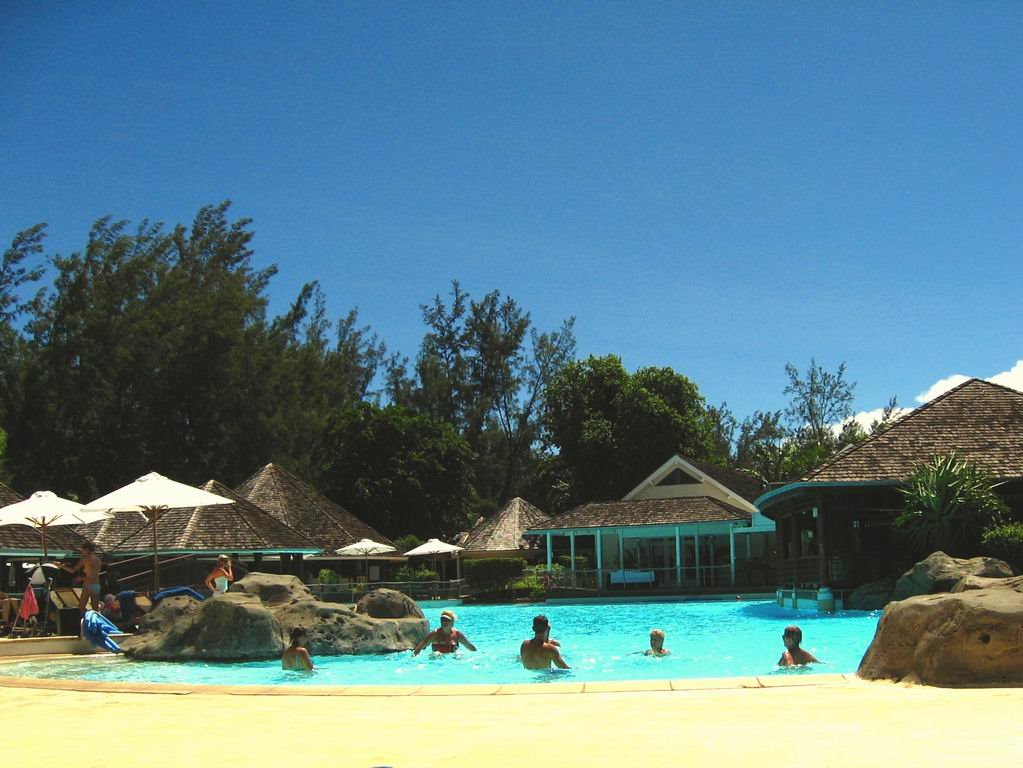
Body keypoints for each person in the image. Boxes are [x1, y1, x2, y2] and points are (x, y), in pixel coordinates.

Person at [60, 542, 102, 616]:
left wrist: (60, 566)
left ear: (87, 550)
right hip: (96, 584)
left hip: (88, 584)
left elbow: (73, 570)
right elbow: (95, 574)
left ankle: (81, 624)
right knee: (95, 609)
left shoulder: (86, 559)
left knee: (81, 607)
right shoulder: (98, 559)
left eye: (83, 550)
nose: (82, 552)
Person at [412, 609, 477, 655]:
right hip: (437, 660)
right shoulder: (435, 634)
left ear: (452, 623)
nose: (444, 622)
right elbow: (420, 647)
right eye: (442, 619)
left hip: (452, 659)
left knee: (459, 656)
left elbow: (469, 646)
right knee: (437, 655)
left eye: (447, 620)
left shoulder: (457, 634)